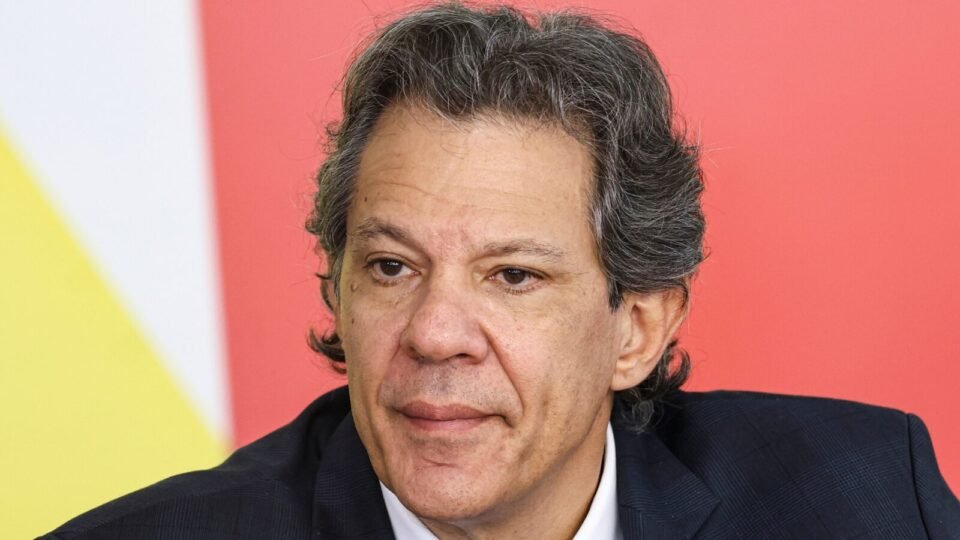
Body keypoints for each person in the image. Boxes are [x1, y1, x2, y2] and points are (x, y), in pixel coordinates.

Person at [44, 3, 959, 539]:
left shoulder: (865, 500)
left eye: (513, 275)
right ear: (339, 288)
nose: (435, 333)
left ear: (636, 328)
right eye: (392, 266)